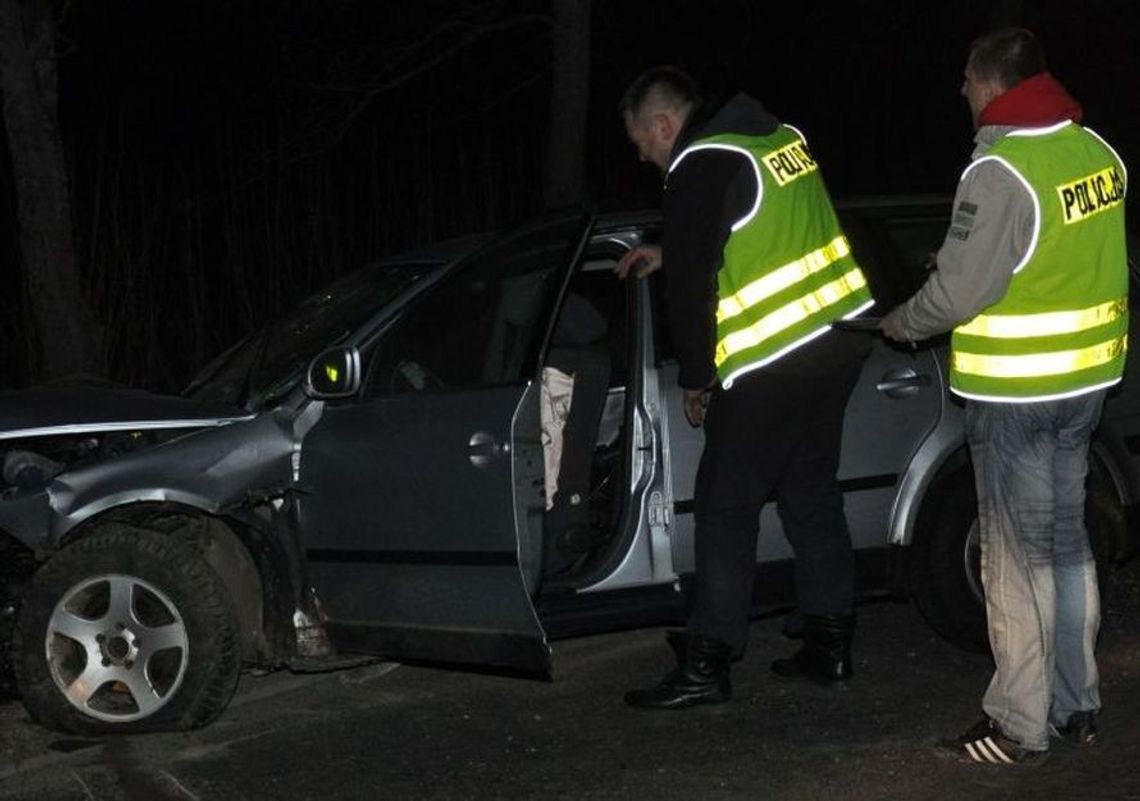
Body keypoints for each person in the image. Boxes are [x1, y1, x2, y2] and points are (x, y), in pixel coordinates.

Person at [881, 28, 1128, 764]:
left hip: (1016, 395)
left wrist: (903, 321)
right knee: (1065, 543)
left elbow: (960, 292)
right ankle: (1076, 701)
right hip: (1084, 388)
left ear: (993, 83)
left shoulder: (999, 170)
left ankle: (1020, 722)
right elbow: (1048, 253)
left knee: (1012, 558)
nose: (961, 91)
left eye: (965, 78)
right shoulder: (1097, 153)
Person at [614, 66, 873, 709]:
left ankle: (709, 661)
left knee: (725, 509)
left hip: (774, 362)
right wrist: (673, 248)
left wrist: (697, 378)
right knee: (810, 494)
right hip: (837, 346)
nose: (641, 154)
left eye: (641, 140)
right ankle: (829, 643)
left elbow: (691, 294)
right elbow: (764, 231)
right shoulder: (775, 138)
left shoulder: (699, 164)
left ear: (664, 125)